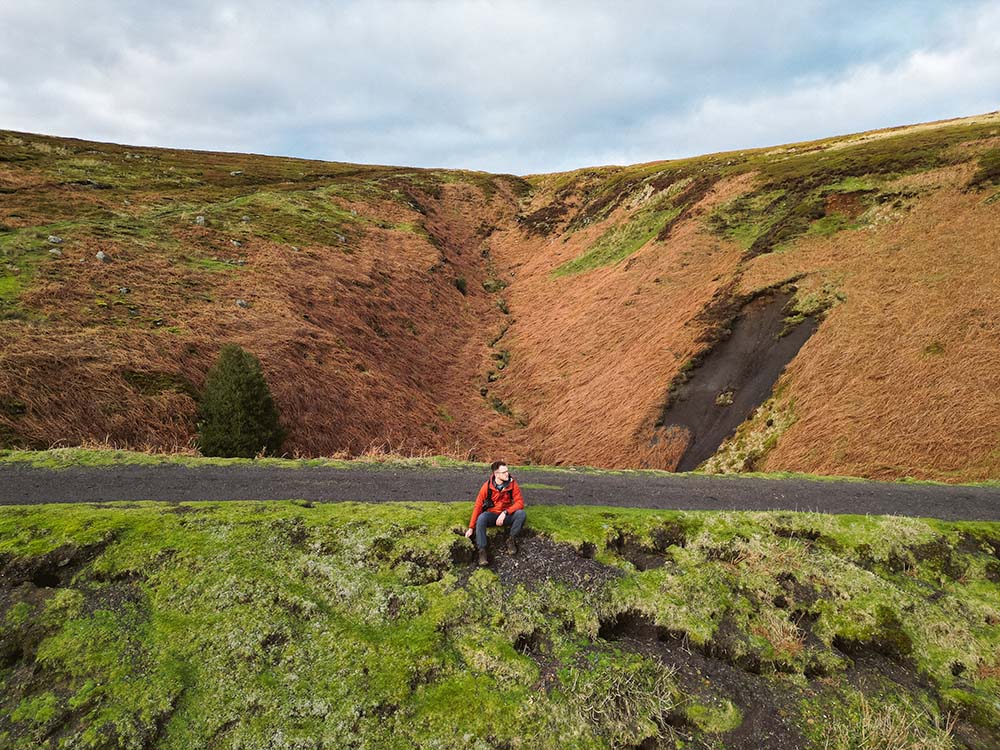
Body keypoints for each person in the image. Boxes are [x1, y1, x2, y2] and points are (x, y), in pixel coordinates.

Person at [465, 460, 527, 566]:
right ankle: (482, 551)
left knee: (521, 514)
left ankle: (511, 540)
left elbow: (520, 502)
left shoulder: (512, 484)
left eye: (507, 471)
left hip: (506, 515)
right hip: (492, 515)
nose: (507, 474)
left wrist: (505, 513)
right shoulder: (486, 486)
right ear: (496, 474)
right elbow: (478, 506)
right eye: (504, 472)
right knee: (481, 518)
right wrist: (471, 527)